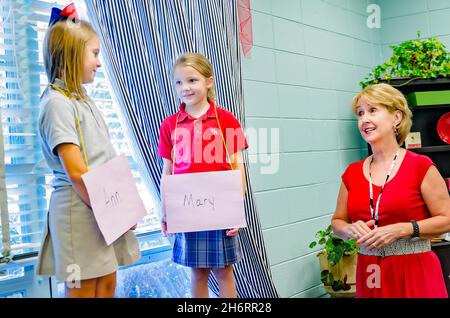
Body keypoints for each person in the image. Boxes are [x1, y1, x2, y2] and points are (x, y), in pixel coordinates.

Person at [36, 4, 140, 298]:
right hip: (78, 215)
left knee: (106, 285)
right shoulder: (57, 104)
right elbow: (78, 172)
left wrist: (122, 208)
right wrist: (119, 212)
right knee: (83, 290)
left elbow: (102, 159)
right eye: (94, 54)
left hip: (99, 210)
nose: (99, 63)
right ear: (70, 54)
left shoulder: (84, 101)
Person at [331, 83, 450, 298]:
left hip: (414, 269)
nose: (364, 119)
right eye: (360, 113)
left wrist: (403, 229)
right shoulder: (352, 172)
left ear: (396, 118)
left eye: (372, 110)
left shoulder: (420, 166)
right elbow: (338, 221)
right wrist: (349, 230)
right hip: (370, 271)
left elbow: (447, 219)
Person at [158, 53, 248, 298]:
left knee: (224, 271)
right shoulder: (169, 125)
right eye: (178, 82)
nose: (185, 88)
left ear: (209, 82)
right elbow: (168, 170)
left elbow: (237, 165)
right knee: (197, 273)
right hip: (187, 211)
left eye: (192, 80)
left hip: (220, 211)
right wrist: (165, 210)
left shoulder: (227, 120)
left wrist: (235, 210)